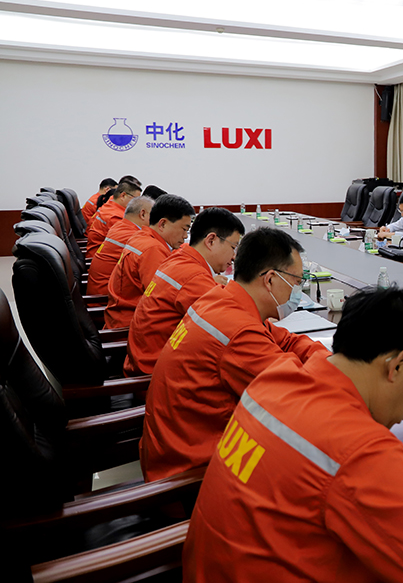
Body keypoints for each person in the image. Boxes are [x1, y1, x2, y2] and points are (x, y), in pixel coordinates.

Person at [183, 286, 403, 583]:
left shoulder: (274, 380)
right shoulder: (362, 450)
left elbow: (308, 486)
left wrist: (402, 498)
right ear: (397, 365)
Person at [140, 227, 329, 482]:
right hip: (191, 472)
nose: (298, 291)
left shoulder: (222, 298)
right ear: (270, 279)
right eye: (296, 283)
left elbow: (284, 340)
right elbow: (301, 395)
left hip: (174, 446)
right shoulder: (238, 332)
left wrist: (321, 356)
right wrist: (336, 367)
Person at [123, 207, 244, 377]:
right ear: (211, 241)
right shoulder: (193, 277)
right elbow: (235, 324)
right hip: (153, 374)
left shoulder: (179, 258)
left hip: (144, 360)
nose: (233, 257)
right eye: (233, 247)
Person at [103, 194, 194, 329]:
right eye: (184, 229)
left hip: (123, 316)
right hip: (129, 326)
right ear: (163, 224)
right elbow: (165, 299)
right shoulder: (152, 250)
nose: (186, 236)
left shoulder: (142, 237)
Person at [87, 195, 153, 296]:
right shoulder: (132, 236)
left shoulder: (119, 226)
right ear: (143, 214)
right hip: (104, 297)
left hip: (102, 289)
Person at [86, 180, 141, 259]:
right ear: (123, 196)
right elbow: (132, 242)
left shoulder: (111, 204)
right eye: (136, 199)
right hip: (100, 257)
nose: (138, 204)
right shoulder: (115, 217)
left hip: (101, 254)